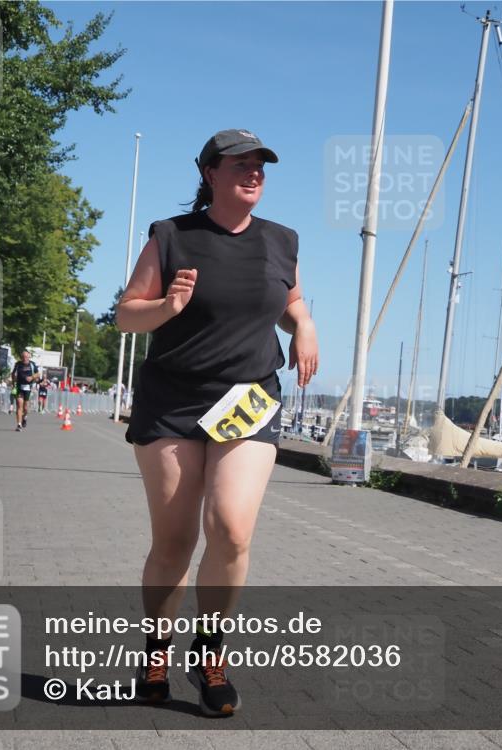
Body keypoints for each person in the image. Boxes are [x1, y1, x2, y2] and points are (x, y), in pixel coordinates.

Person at [116, 129, 318, 717]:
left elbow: (291, 301)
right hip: (173, 402)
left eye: (260, 165)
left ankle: (210, 653)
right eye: (239, 164)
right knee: (175, 540)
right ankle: (156, 650)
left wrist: (303, 324)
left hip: (248, 400)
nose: (253, 172)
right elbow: (127, 314)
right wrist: (166, 308)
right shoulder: (171, 236)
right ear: (209, 173)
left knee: (230, 528)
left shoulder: (282, 241)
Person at [10, 350, 40, 431]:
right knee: (19, 405)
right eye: (23, 357)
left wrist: (32, 377)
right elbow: (13, 374)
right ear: (21, 357)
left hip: (28, 388)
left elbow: (38, 374)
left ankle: (25, 417)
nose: (25, 358)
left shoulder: (32, 364)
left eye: (26, 357)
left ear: (29, 357)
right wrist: (13, 384)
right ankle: (19, 425)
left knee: (26, 408)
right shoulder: (18, 364)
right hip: (19, 387)